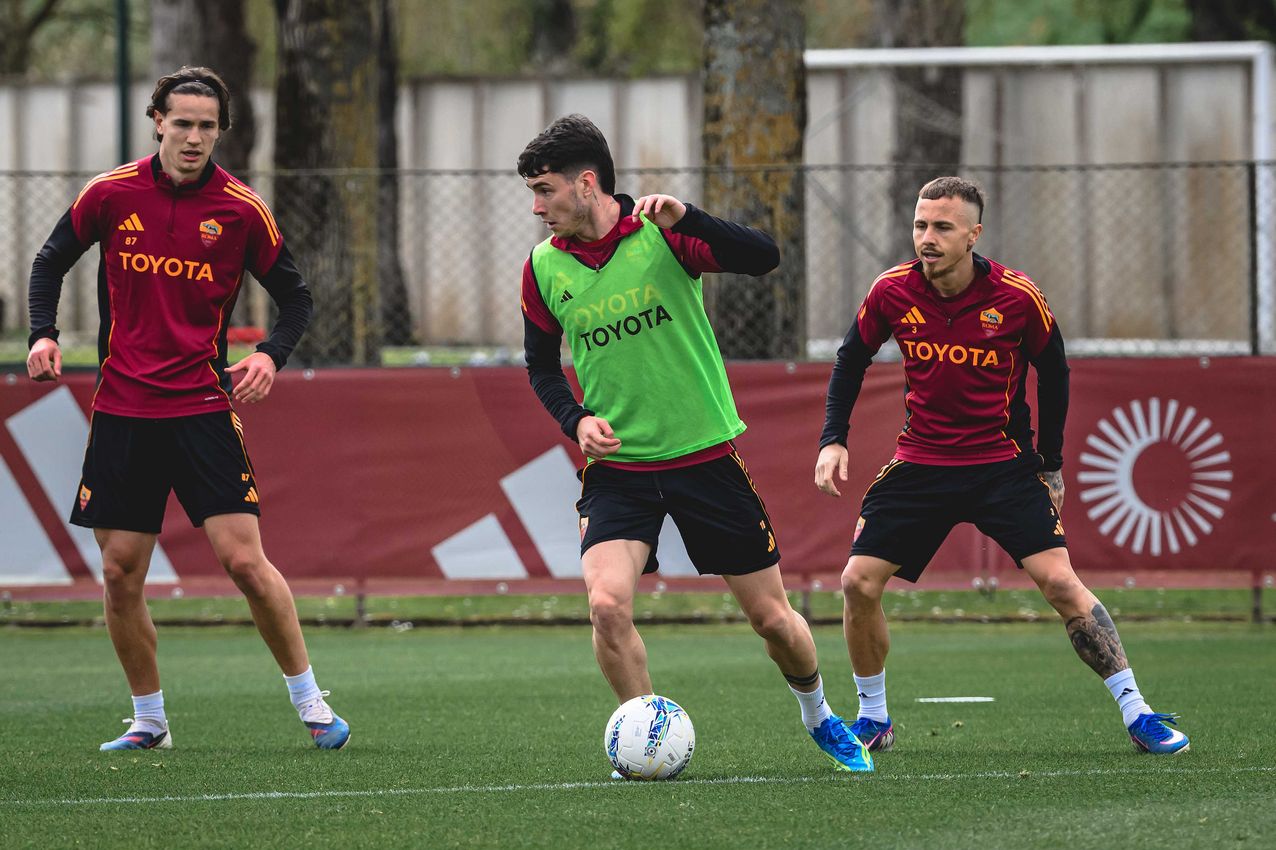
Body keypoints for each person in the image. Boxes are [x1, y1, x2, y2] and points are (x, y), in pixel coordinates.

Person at [517, 114, 871, 776]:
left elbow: (765, 256)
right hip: (618, 472)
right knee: (605, 605)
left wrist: (693, 219)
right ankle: (642, 742)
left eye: (544, 191)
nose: (537, 208)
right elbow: (540, 366)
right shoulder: (542, 268)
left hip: (705, 462)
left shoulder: (663, 236)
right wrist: (575, 420)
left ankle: (820, 716)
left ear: (586, 183)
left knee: (772, 620)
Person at [26, 67, 349, 752]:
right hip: (121, 410)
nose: (195, 136)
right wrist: (43, 332)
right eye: (183, 123)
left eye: (207, 126)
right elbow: (50, 262)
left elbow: (296, 298)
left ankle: (312, 702)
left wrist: (268, 354)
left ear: (220, 131)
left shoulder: (241, 209)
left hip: (202, 409)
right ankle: (149, 721)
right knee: (119, 573)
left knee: (244, 563)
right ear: (157, 121)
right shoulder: (111, 194)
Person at [814, 176, 1189, 757]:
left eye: (942, 227)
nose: (927, 238)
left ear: (973, 234)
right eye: (920, 225)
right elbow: (851, 359)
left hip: (1002, 467)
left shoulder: (1017, 296)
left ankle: (1138, 713)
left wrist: (1052, 463)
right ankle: (874, 718)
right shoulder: (891, 291)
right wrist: (833, 439)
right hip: (921, 463)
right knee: (856, 583)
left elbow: (1055, 372)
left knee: (1061, 584)